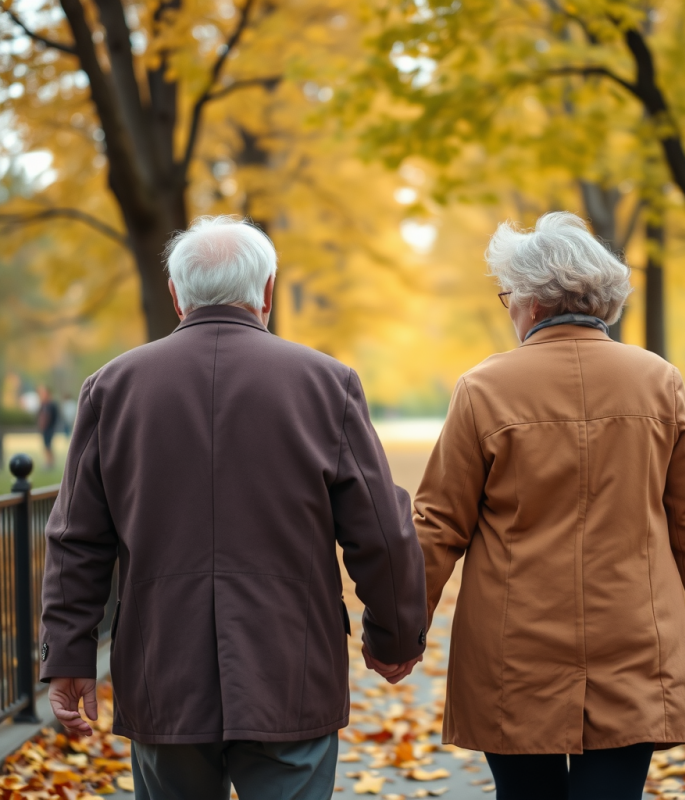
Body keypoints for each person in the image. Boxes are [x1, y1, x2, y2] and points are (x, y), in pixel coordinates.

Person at [39, 216, 427, 800]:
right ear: (267, 291)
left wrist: (68, 651)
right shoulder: (327, 383)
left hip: (162, 667)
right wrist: (395, 637)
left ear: (175, 294)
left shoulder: (111, 388)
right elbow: (380, 530)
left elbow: (77, 537)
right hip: (290, 666)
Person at [413, 212, 685, 800]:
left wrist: (402, 631)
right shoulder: (657, 381)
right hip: (635, 640)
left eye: (507, 296)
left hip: (513, 650)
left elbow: (439, 525)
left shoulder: (484, 388)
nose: (507, 308)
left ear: (534, 302)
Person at [37, 386, 59, 469]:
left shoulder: (52, 405)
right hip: (44, 428)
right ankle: (48, 461)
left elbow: (55, 416)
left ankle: (50, 462)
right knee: (46, 445)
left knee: (48, 445)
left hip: (50, 428)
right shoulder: (43, 404)